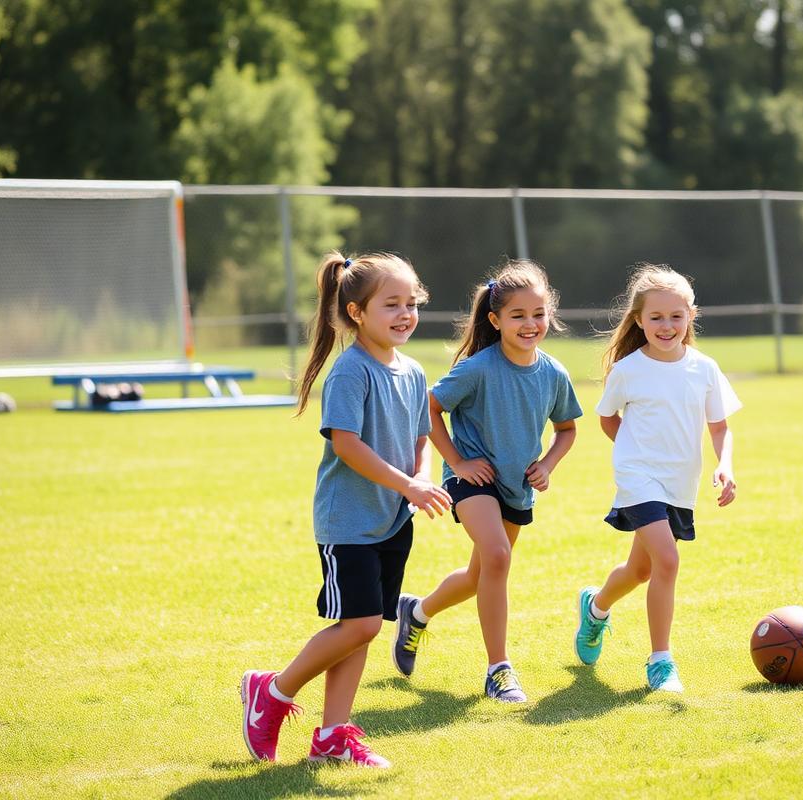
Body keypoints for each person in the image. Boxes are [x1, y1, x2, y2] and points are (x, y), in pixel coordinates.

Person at [240, 252, 451, 767]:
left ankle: (333, 735)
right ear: (356, 312)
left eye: (411, 303)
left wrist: (419, 477)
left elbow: (421, 437)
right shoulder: (352, 371)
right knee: (358, 626)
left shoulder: (412, 369)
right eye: (391, 305)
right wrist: (408, 483)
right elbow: (347, 444)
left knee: (363, 625)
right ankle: (273, 693)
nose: (405, 314)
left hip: (392, 520)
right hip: (348, 523)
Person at [390, 259, 582, 703]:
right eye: (517, 315)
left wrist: (548, 465)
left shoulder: (553, 373)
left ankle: (415, 612)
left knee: (482, 573)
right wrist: (457, 462)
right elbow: (429, 409)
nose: (530, 324)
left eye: (538, 314)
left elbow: (567, 429)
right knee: (497, 557)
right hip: (471, 480)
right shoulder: (478, 368)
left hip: (517, 486)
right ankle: (499, 670)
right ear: (495, 320)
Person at [573, 264, 740, 693]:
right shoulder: (628, 370)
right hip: (638, 477)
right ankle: (661, 662)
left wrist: (726, 465)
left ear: (691, 315)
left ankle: (595, 608)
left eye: (676, 317)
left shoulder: (704, 368)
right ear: (638, 320)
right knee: (668, 560)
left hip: (680, 482)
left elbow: (719, 427)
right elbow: (608, 418)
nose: (666, 326)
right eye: (656, 318)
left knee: (641, 570)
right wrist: (633, 457)